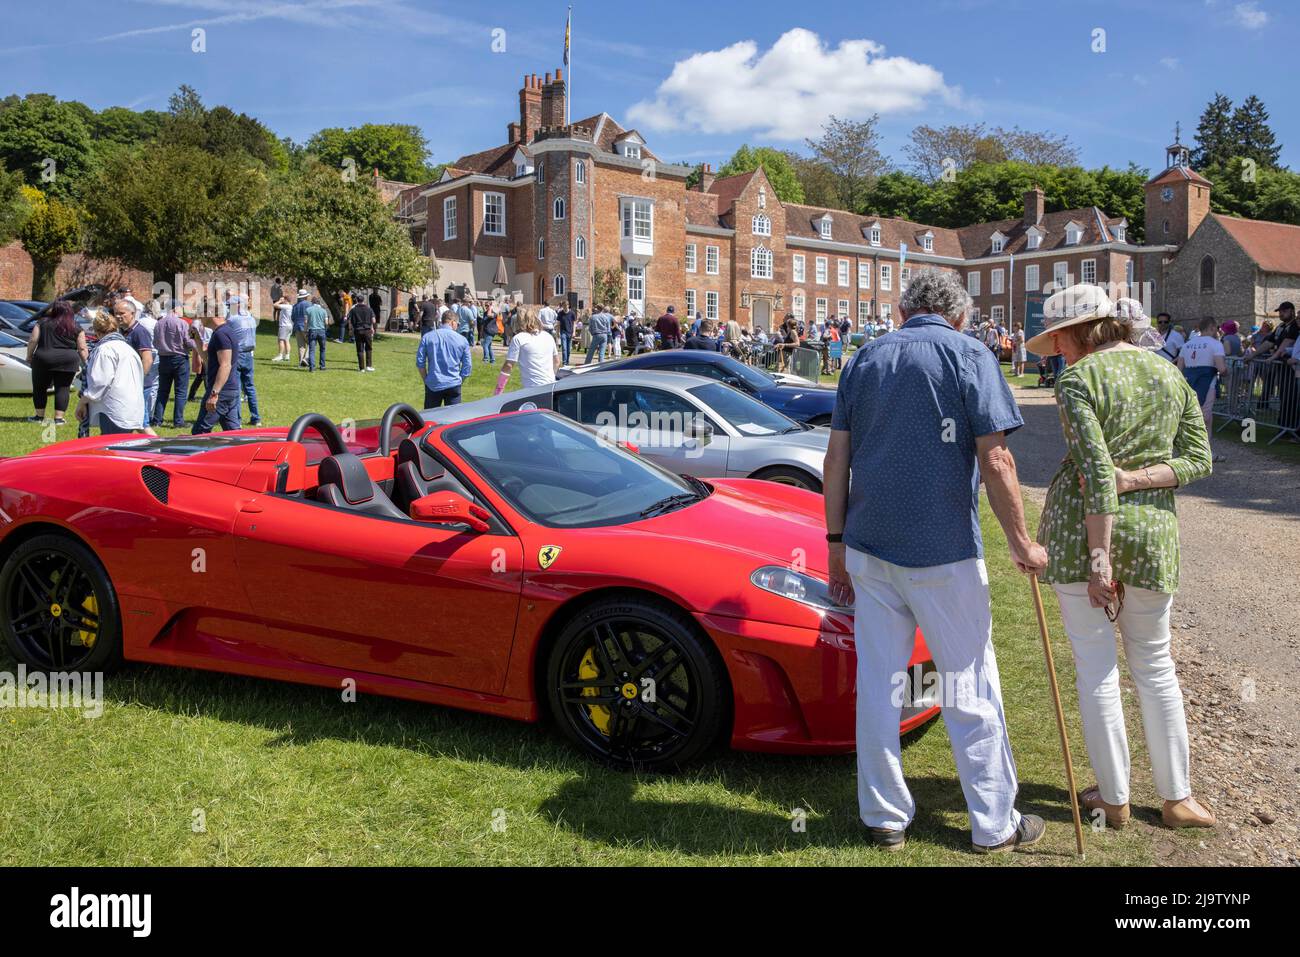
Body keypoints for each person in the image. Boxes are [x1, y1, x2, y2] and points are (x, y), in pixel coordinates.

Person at [823, 267, 1048, 854]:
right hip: (942, 550)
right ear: (960, 314)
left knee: (879, 682)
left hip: (871, 547)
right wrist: (1022, 543)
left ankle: (884, 816)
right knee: (968, 682)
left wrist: (835, 543)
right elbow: (996, 460)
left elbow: (835, 460)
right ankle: (994, 822)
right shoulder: (969, 354)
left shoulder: (863, 358)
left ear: (903, 311)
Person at [1029, 284, 1216, 831]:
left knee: (1097, 670)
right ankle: (1178, 798)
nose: (1057, 350)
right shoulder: (1169, 372)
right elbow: (1199, 460)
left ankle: (1114, 799)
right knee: (1157, 667)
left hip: (1087, 537)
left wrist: (1099, 561)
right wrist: (1140, 478)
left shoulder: (1078, 379)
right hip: (1155, 533)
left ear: (1079, 332)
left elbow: (1095, 474)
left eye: (1058, 339)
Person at [76, 308, 144, 435]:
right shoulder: (127, 348)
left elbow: (100, 382)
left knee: (113, 449)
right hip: (130, 406)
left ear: (96, 332)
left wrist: (82, 401)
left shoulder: (105, 350)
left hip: (114, 409)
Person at [25, 300, 87, 426]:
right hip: (68, 360)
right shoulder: (76, 326)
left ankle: (39, 416)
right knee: (63, 388)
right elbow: (82, 348)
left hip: (44, 358)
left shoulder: (42, 323)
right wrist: (87, 363)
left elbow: (33, 340)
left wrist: (29, 355)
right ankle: (59, 419)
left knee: (39, 388)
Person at [192, 306, 241, 434]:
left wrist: (214, 394)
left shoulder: (221, 334)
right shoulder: (222, 332)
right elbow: (209, 360)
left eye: (200, 314)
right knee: (233, 434)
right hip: (230, 390)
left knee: (199, 432)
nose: (199, 318)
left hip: (221, 392)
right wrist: (197, 339)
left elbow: (225, 365)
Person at [1177, 317, 1227, 439]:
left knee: (1190, 413)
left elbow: (1178, 369)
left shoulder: (1187, 344)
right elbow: (1221, 368)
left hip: (1188, 380)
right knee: (1205, 416)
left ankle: (1192, 447)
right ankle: (1205, 451)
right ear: (1212, 327)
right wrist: (1227, 372)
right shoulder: (1216, 344)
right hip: (1207, 381)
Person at [114, 297, 156, 435]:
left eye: (122, 313)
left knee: (141, 423)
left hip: (139, 384)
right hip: (128, 383)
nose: (118, 316)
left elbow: (147, 359)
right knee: (133, 421)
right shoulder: (122, 331)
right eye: (116, 313)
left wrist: (138, 381)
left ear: (132, 314)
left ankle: (161, 449)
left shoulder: (139, 332)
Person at [495, 307, 560, 393]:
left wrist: (498, 390)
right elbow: (556, 361)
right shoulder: (548, 336)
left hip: (531, 389)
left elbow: (509, 365)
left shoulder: (519, 338)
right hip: (551, 387)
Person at [417, 310, 473, 407]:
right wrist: (460, 380)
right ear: (452, 322)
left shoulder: (427, 337)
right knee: (454, 419)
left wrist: (426, 379)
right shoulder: (462, 340)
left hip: (433, 383)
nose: (458, 326)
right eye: (457, 324)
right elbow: (467, 366)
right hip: (453, 383)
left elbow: (420, 362)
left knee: (430, 419)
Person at [151, 300, 192, 428]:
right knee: (180, 391)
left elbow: (155, 342)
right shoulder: (182, 323)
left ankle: (157, 420)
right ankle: (178, 421)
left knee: (162, 391)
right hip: (179, 358)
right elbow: (188, 342)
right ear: (175, 308)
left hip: (163, 358)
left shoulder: (158, 323)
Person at [227, 295, 261, 425]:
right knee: (250, 387)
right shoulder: (251, 318)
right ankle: (256, 418)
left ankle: (237, 419)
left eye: (230, 306)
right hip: (249, 354)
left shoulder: (232, 320)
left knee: (236, 387)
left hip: (237, 353)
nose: (229, 308)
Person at [347, 296, 376, 372]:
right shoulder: (369, 309)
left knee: (360, 350)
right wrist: (372, 327)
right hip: (367, 331)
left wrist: (350, 329)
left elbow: (349, 320)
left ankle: (362, 368)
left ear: (356, 300)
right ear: (364, 300)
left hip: (358, 331)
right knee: (368, 348)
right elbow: (373, 320)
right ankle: (369, 366)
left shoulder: (353, 310)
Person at [304, 295, 331, 371]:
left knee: (312, 350)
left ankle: (312, 367)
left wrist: (305, 331)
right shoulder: (323, 311)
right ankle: (322, 366)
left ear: (312, 302)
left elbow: (306, 322)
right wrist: (326, 330)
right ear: (319, 303)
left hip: (312, 330)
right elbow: (326, 323)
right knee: (322, 349)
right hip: (321, 331)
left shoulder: (308, 310)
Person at [290, 289, 311, 367]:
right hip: (306, 327)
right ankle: (306, 359)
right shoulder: (309, 304)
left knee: (301, 346)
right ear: (305, 297)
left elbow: (292, 317)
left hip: (297, 327)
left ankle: (301, 363)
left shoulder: (295, 306)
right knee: (311, 343)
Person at [272, 294, 293, 362]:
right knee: (286, 340)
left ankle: (280, 356)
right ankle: (287, 356)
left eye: (283, 299)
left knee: (281, 340)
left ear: (285, 300)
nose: (282, 300)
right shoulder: (291, 306)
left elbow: (275, 305)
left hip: (284, 325)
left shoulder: (286, 306)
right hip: (290, 326)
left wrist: (279, 301)